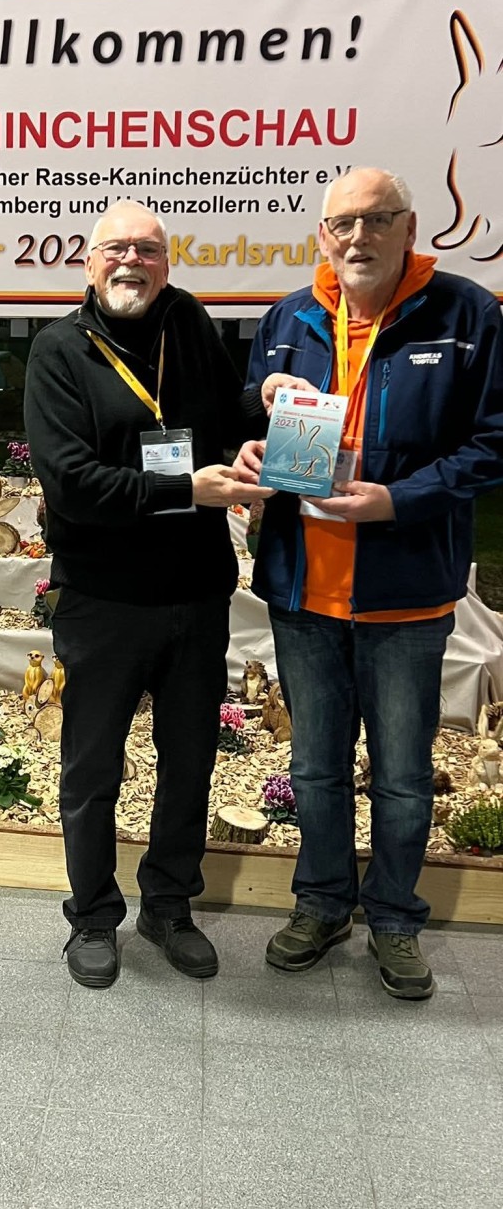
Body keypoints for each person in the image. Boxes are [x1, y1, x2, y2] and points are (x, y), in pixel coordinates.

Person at [235, 167, 503, 999]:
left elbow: (493, 443)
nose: (358, 237)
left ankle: (393, 917)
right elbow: (251, 411)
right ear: (322, 235)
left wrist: (397, 500)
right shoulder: (290, 317)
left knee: (402, 774)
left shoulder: (466, 316)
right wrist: (256, 424)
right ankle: (321, 904)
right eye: (342, 224)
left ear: (408, 227)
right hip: (302, 589)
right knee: (315, 767)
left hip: (405, 591)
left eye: (377, 219)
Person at [24, 199, 272, 989]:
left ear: (167, 262)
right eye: (116, 248)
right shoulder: (59, 351)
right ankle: (93, 915)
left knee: (190, 761)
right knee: (92, 766)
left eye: (148, 249)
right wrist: (184, 489)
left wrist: (263, 408)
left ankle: (169, 905)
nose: (131, 260)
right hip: (103, 598)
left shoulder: (188, 322)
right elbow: (72, 483)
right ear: (88, 261)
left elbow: (224, 415)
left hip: (196, 593)